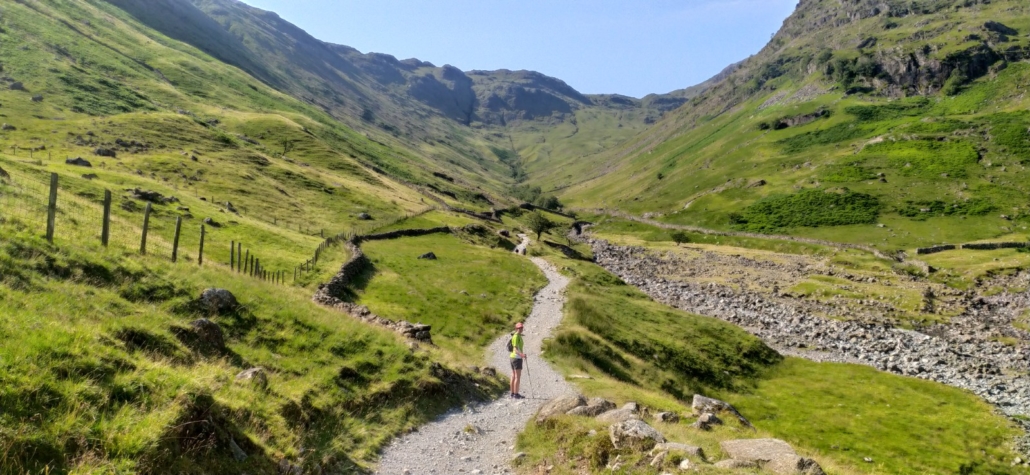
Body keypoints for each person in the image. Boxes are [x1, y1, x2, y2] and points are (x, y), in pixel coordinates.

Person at [510, 322, 526, 399]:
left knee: (513, 375)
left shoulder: (516, 336)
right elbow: (515, 349)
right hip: (516, 358)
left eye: (521, 327)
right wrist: (522, 355)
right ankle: (516, 394)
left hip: (513, 357)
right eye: (519, 328)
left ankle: (512, 393)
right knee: (517, 376)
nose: (521, 329)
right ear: (516, 328)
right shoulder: (516, 336)